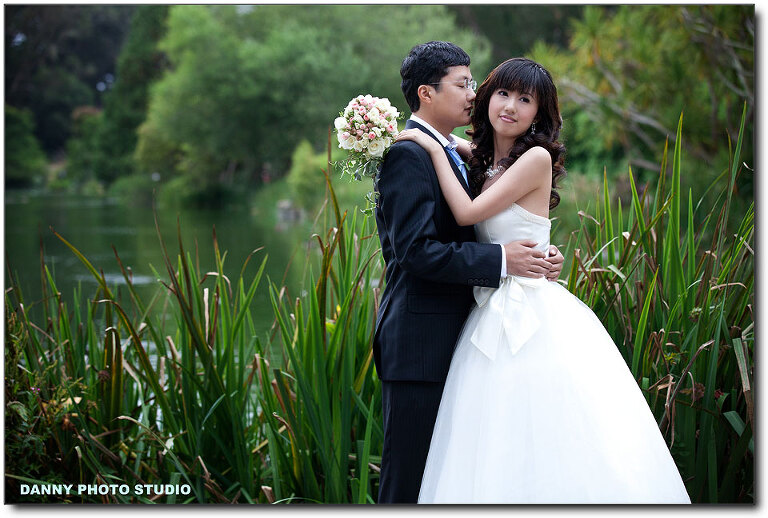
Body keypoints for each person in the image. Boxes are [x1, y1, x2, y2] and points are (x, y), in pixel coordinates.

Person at [396, 57, 691, 504]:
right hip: (489, 308)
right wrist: (440, 140)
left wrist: (435, 149)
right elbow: (470, 155)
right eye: (502, 93)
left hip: (530, 310)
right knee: (491, 437)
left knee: (545, 429)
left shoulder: (535, 158)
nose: (510, 106)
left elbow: (468, 213)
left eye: (525, 100)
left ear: (539, 113)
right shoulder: (488, 159)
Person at [373, 42, 565, 504]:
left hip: (478, 335)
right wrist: (503, 260)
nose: (473, 94)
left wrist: (538, 250)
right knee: (407, 486)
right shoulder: (411, 155)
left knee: (467, 476)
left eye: (474, 84)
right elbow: (416, 252)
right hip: (421, 345)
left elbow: (490, 219)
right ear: (427, 93)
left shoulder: (459, 153)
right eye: (464, 84)